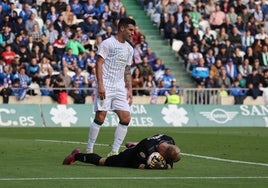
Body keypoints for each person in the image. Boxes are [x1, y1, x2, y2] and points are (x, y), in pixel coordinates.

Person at [86, 18, 135, 156]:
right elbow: (99, 63)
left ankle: (114, 151)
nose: (132, 33)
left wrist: (129, 89)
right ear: (122, 28)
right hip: (106, 85)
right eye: (130, 30)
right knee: (101, 117)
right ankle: (89, 150)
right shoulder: (108, 43)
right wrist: (100, 84)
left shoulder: (129, 49)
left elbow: (127, 70)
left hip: (120, 87)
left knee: (126, 118)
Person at [63, 134, 181, 169]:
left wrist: (167, 166)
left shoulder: (170, 140)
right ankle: (77, 155)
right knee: (103, 161)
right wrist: (150, 166)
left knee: (139, 147)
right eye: (167, 158)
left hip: (141, 147)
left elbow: (170, 162)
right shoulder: (147, 148)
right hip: (130, 156)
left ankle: (133, 144)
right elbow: (135, 164)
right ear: (163, 152)